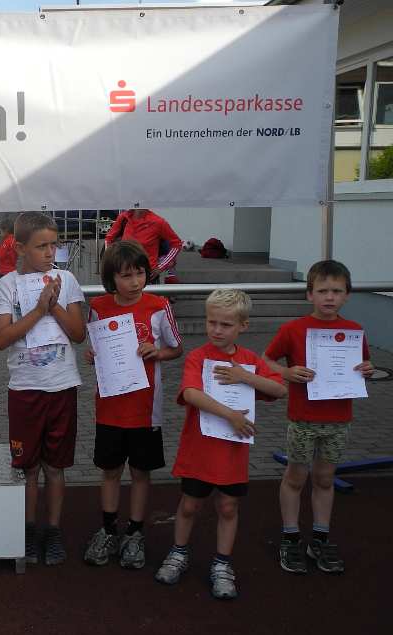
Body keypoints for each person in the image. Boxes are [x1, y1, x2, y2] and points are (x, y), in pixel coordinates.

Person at [154, 289, 286, 599]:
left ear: (243, 326)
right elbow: (190, 394)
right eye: (211, 322)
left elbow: (279, 390)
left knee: (228, 506)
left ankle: (222, 563)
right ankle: (179, 552)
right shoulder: (198, 357)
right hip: (199, 449)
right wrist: (231, 415)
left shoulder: (249, 361)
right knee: (190, 504)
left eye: (226, 324)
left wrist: (245, 377)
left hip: (232, 452)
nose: (216, 330)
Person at [263, 260, 374, 575]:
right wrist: (286, 372)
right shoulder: (293, 329)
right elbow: (265, 359)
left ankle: (320, 539)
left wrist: (367, 369)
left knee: (325, 478)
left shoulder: (354, 331)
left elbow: (363, 366)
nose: (330, 297)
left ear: (347, 295)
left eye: (337, 291)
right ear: (309, 294)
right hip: (303, 419)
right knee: (296, 478)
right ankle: (291, 537)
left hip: (339, 420)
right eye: (323, 291)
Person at [0, 212, 86, 565]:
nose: (49, 252)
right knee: (29, 467)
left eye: (53, 245)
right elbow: (1, 339)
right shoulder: (7, 286)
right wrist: (38, 309)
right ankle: (29, 529)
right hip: (25, 389)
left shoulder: (66, 279)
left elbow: (78, 333)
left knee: (55, 467)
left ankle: (53, 530)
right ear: (20, 248)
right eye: (41, 246)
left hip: (62, 386)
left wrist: (54, 305)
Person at [82, 240, 183, 570]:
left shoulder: (159, 305)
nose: (135, 281)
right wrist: (92, 355)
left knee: (140, 472)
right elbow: (97, 349)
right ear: (111, 278)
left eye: (140, 273)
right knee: (110, 471)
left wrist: (158, 352)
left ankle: (135, 532)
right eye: (126, 276)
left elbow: (176, 348)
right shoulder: (98, 306)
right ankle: (109, 530)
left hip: (145, 409)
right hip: (110, 407)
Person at [105, 208, 181, 283]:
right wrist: (111, 261)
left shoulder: (157, 221)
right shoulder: (124, 217)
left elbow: (177, 243)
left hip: (147, 274)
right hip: (124, 271)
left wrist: (161, 267)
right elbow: (108, 239)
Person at [0, 213, 18, 279]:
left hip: (5, 271)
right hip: (13, 269)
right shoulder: (14, 240)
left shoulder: (7, 241)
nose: (0, 234)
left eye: (1, 231)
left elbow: (1, 255)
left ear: (6, 231)